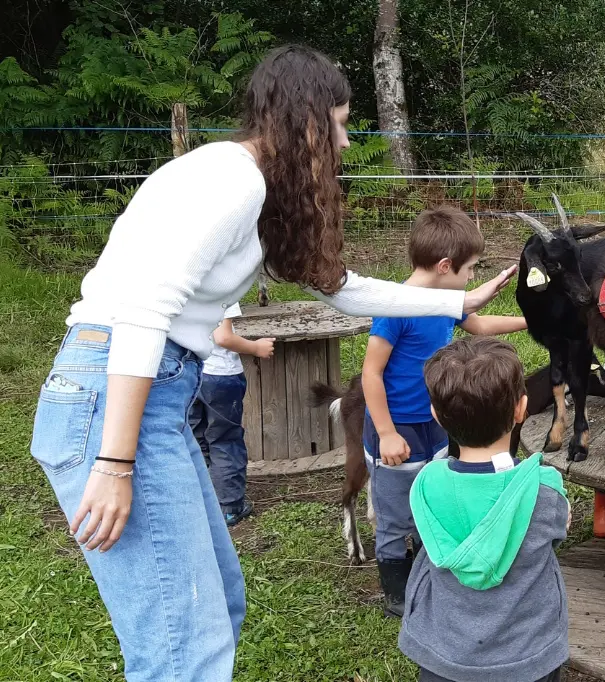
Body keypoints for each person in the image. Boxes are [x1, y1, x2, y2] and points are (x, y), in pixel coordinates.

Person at [27, 45, 515, 682]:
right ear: (308, 123)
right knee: (183, 647)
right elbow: (142, 313)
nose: (343, 143)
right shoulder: (233, 182)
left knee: (217, 608)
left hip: (148, 396)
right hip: (116, 394)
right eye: (338, 124)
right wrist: (115, 462)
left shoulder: (259, 194)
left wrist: (457, 301)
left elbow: (345, 288)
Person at [362, 205, 527, 617]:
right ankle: (396, 591)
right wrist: (385, 433)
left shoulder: (445, 300)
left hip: (435, 421)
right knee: (395, 511)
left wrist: (533, 322)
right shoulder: (394, 308)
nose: (472, 277)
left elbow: (481, 326)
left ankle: (426, 566)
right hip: (397, 427)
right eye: (470, 269)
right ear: (445, 265)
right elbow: (371, 372)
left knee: (430, 495)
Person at [399, 336, 570, 682]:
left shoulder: (426, 485)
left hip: (444, 654)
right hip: (528, 657)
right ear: (521, 409)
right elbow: (556, 533)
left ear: (436, 415)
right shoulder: (544, 488)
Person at [189, 304, 274, 527]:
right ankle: (230, 507)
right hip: (220, 375)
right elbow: (223, 337)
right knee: (225, 440)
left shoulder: (181, 284)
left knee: (196, 439)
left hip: (189, 373)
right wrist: (255, 347)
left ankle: (202, 500)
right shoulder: (222, 288)